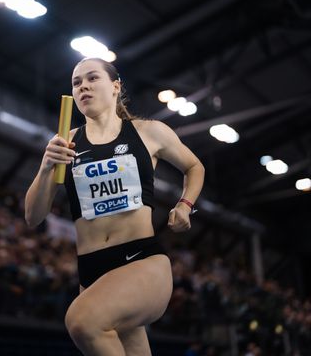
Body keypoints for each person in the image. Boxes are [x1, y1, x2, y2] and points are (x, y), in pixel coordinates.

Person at [25, 57, 205, 356]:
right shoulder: (65, 143)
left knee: (82, 321)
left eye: (92, 78)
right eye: (76, 82)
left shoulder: (149, 132)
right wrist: (46, 167)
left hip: (141, 261)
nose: (83, 86)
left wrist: (185, 204)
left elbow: (194, 166)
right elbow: (33, 217)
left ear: (115, 86)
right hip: (91, 271)